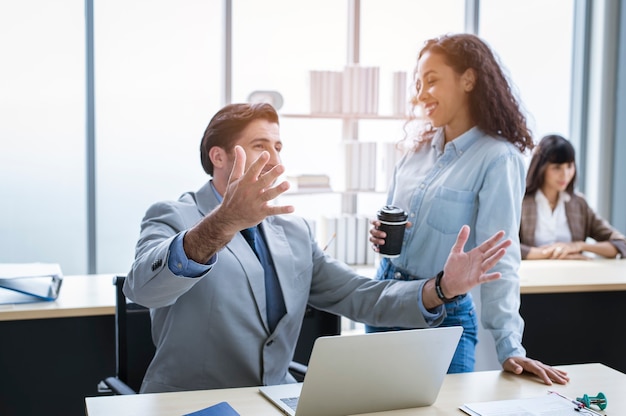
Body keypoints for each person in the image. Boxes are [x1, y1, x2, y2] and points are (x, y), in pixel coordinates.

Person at [123, 102, 512, 393]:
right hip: (192, 405)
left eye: (279, 147)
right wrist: (224, 221)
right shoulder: (174, 215)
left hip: (273, 401)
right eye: (261, 145)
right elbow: (143, 289)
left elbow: (358, 295)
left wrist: (441, 288)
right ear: (218, 156)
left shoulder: (292, 231)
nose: (275, 159)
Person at [368, 33, 569, 385]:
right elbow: (398, 221)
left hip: (443, 316)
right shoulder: (415, 152)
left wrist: (511, 347)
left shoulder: (497, 158)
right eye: (418, 84)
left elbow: (500, 258)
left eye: (432, 80)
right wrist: (384, 233)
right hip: (386, 299)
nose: (421, 93)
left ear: (468, 79)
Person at [520, 134, 626, 260]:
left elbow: (621, 244)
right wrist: (547, 253)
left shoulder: (579, 204)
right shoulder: (521, 203)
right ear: (541, 168)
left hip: (574, 277)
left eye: (569, 166)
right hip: (532, 277)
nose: (565, 174)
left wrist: (578, 246)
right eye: (557, 168)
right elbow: (505, 245)